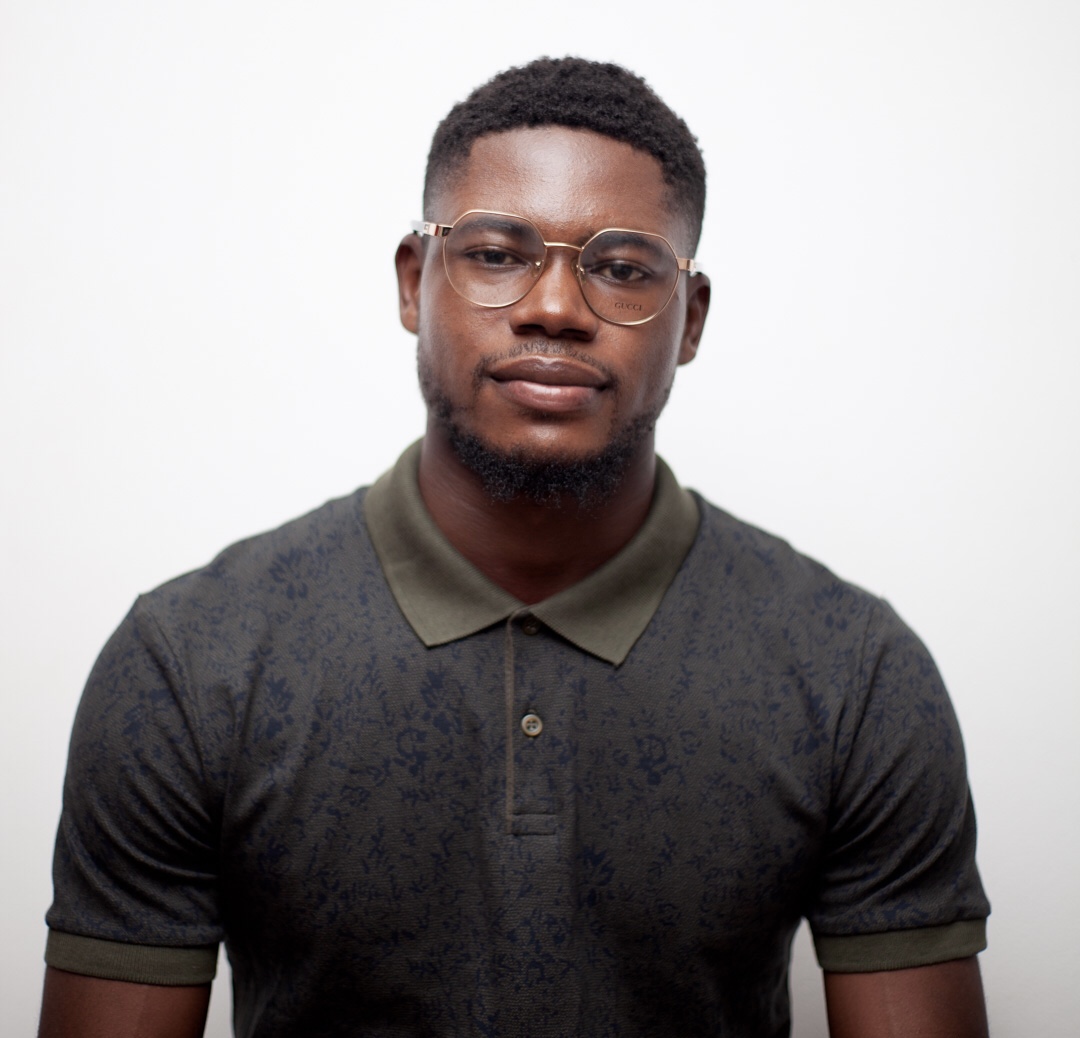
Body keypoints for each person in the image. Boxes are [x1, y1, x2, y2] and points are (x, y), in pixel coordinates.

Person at [38, 57, 990, 1038]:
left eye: (622, 268)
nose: (555, 308)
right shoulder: (191, 663)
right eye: (496, 254)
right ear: (415, 283)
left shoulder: (852, 673)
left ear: (691, 319)